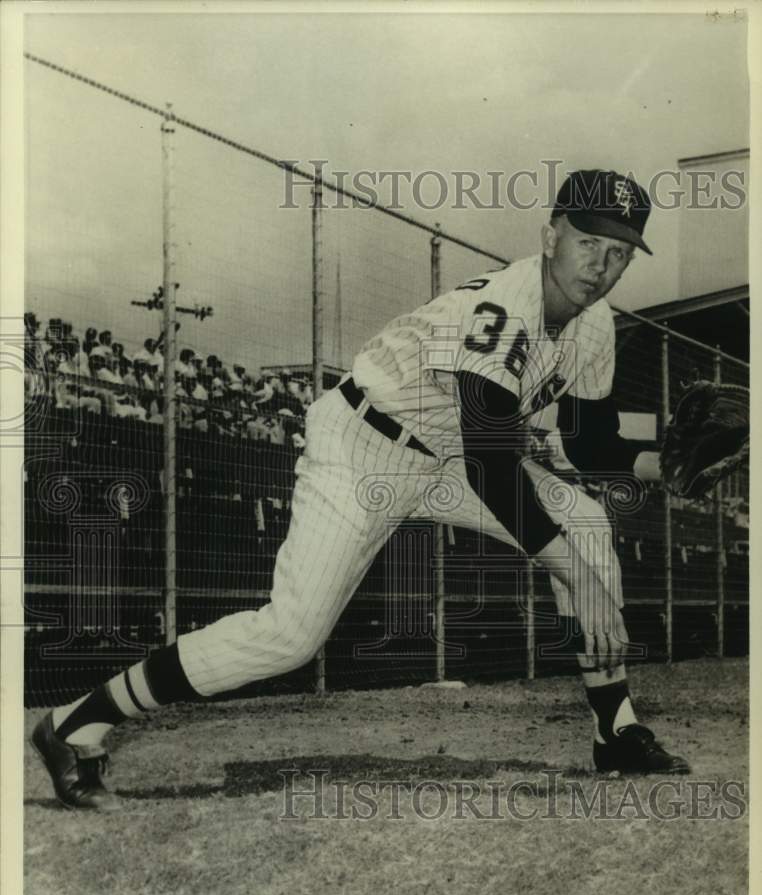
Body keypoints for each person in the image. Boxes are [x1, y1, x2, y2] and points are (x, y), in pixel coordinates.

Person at [31, 168, 689, 811]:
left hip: (446, 457)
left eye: (619, 251)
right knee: (289, 637)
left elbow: (589, 442)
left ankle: (616, 732)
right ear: (551, 236)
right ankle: (73, 724)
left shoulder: (595, 324)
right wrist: (585, 583)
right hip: (363, 446)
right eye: (588, 241)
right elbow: (493, 463)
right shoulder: (505, 307)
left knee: (582, 518)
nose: (601, 264)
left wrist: (670, 466)